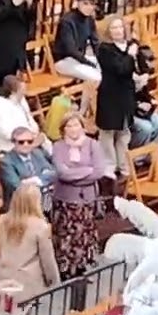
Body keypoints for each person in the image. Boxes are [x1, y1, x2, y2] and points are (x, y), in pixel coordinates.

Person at [50, 114, 103, 280]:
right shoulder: (58, 147)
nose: (73, 129)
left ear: (82, 126)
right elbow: (62, 173)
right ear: (63, 129)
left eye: (76, 125)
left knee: (83, 235)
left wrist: (75, 174)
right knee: (66, 235)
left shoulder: (93, 145)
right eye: (69, 126)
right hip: (65, 200)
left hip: (87, 199)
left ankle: (81, 267)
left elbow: (98, 171)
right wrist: (86, 171)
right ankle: (65, 270)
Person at [0, 182, 61, 301]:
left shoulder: (3, 220)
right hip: (29, 286)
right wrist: (55, 283)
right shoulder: (40, 226)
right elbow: (48, 261)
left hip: (5, 282)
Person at [95, 15, 142, 183]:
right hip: (110, 96)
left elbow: (141, 66)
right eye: (113, 28)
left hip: (126, 95)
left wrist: (136, 52)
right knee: (107, 133)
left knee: (124, 132)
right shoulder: (105, 49)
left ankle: (123, 167)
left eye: (120, 27)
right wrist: (130, 55)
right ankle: (110, 167)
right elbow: (120, 69)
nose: (117, 31)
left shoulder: (131, 46)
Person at [51, 0, 102, 84]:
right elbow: (70, 49)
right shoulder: (66, 21)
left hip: (80, 58)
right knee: (97, 77)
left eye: (92, 4)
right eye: (85, 3)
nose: (89, 7)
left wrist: (102, 59)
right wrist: (89, 63)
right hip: (64, 60)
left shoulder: (89, 20)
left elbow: (95, 43)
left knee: (108, 70)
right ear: (77, 3)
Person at [0, 126, 56, 208]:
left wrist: (35, 180)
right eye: (21, 142)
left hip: (45, 200)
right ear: (14, 142)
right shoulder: (6, 162)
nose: (26, 145)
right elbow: (18, 187)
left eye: (30, 141)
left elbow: (55, 172)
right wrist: (45, 177)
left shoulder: (38, 153)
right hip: (21, 206)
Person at [0, 75, 45, 157]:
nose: (24, 93)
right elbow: (8, 134)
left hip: (28, 141)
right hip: (8, 148)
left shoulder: (21, 100)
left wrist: (35, 133)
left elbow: (30, 119)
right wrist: (30, 139)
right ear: (13, 92)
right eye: (22, 91)